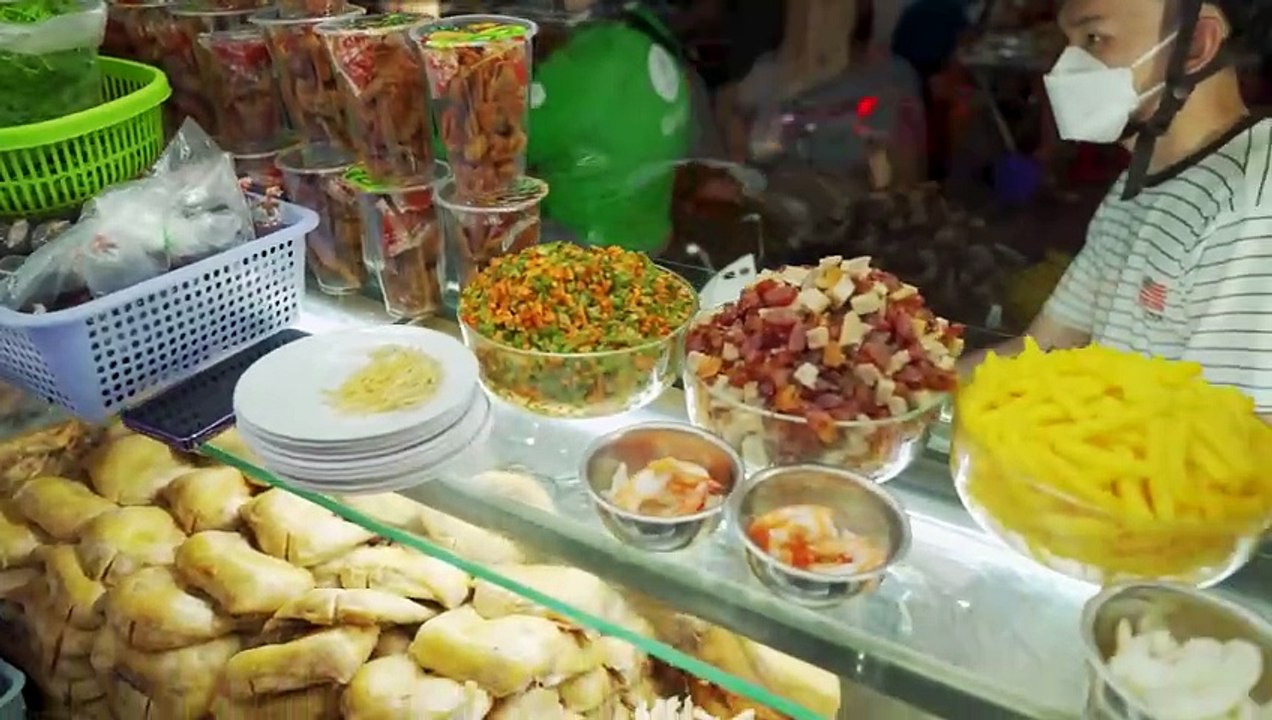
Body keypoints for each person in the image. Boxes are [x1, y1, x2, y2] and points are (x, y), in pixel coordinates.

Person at [958, 0, 1272, 421]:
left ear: (1196, 43)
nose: (1065, 67)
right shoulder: (1139, 183)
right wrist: (903, 394)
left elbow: (1230, 447)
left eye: (1094, 39)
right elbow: (1041, 350)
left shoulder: (1251, 204)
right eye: (1067, 42)